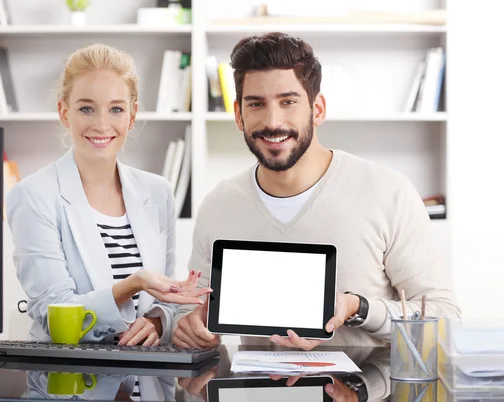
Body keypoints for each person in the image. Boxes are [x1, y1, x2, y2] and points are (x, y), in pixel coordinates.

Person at [171, 32, 460, 349]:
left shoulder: (388, 193)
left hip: (366, 392)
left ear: (317, 108)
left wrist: (358, 308)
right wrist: (191, 326)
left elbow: (445, 321)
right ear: (239, 115)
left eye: (288, 102)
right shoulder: (219, 205)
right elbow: (191, 310)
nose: (273, 121)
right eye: (257, 104)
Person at [6, 43, 211, 346]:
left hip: (150, 383)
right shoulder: (34, 196)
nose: (102, 125)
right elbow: (54, 314)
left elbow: (164, 303)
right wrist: (134, 284)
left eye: (116, 109)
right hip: (72, 384)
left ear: (132, 115)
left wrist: (156, 322)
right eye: (86, 108)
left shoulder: (158, 193)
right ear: (64, 112)